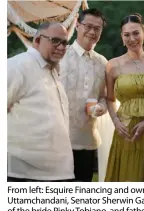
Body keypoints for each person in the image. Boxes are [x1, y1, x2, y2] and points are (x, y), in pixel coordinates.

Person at [7, 22, 74, 181]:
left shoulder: (53, 69)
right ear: (37, 40)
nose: (61, 47)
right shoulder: (18, 66)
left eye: (65, 43)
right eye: (55, 41)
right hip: (21, 173)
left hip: (55, 172)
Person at [104, 13, 144, 182]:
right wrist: (116, 122)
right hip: (126, 131)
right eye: (127, 34)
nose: (132, 38)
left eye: (136, 33)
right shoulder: (113, 65)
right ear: (122, 37)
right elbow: (109, 99)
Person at [60, 8, 108, 182]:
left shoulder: (103, 62)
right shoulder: (60, 55)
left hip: (87, 140)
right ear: (77, 25)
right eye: (88, 26)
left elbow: (104, 96)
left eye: (98, 28)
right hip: (59, 140)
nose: (92, 31)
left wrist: (101, 107)